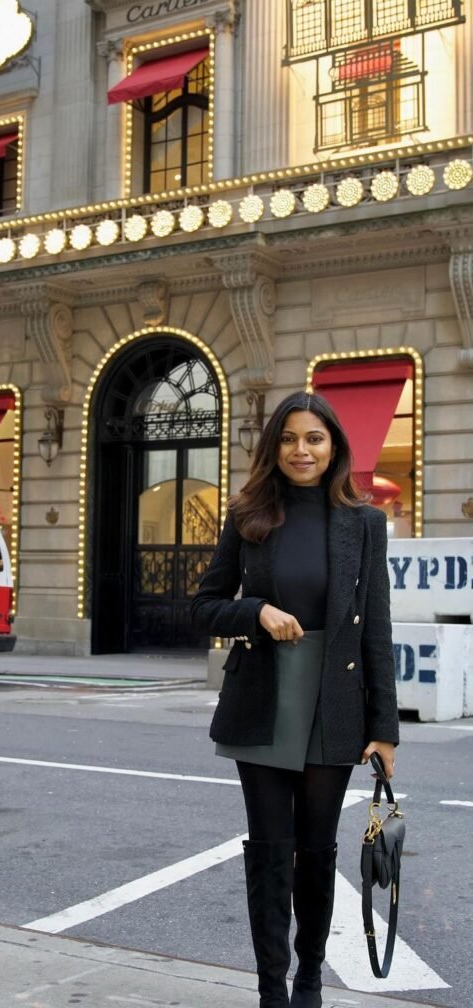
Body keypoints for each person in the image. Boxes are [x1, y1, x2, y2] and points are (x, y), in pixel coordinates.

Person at [190, 390, 399, 1008]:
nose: (300, 450)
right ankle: (271, 991)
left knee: (317, 849)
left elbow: (378, 628)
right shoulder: (249, 515)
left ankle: (309, 979)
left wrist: (384, 728)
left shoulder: (365, 524)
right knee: (270, 852)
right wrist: (256, 611)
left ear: (334, 446)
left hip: (335, 701)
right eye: (288, 438)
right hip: (264, 696)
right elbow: (203, 607)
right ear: (272, 447)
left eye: (314, 438)